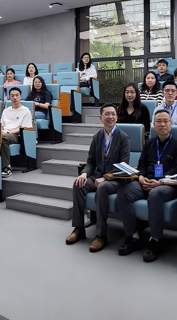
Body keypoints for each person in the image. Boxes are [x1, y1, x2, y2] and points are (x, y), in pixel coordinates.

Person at [116, 110, 177, 262]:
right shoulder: (149, 143)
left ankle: (155, 240)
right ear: (153, 125)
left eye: (165, 121)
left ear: (171, 124)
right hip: (145, 182)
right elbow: (142, 164)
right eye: (158, 121)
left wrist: (160, 181)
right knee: (124, 192)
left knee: (155, 195)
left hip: (166, 185)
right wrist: (141, 177)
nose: (162, 124)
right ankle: (133, 236)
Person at [66, 104, 130, 251]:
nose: (110, 117)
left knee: (102, 187)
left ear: (117, 117)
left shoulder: (123, 137)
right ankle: (79, 228)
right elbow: (91, 162)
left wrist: (106, 178)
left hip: (116, 179)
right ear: (101, 118)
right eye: (107, 114)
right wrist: (84, 173)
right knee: (78, 184)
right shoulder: (97, 137)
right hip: (97, 176)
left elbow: (124, 165)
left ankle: (101, 235)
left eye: (113, 114)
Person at [0, 87, 33, 178]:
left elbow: (24, 127)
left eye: (17, 95)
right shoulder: (6, 110)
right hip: (5, 132)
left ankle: (7, 168)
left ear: (20, 96)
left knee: (3, 138)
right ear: (9, 97)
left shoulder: (25, 110)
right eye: (12, 96)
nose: (15, 98)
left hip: (17, 135)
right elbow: (1, 125)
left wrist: (8, 132)